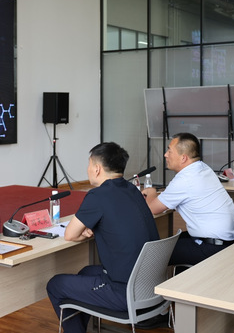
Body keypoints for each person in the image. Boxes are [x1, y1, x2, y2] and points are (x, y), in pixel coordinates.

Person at [46, 142, 159, 333]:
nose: (88, 169)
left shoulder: (97, 196)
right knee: (86, 272)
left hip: (124, 292)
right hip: (149, 285)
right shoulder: (132, 189)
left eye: (89, 164)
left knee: (56, 284)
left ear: (97, 168)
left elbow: (69, 235)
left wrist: (82, 234)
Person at [143, 132, 234, 266]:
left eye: (169, 151)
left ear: (183, 158)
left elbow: (152, 209)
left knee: (150, 255)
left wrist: (151, 192)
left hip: (212, 248)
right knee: (171, 241)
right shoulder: (203, 168)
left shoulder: (185, 179)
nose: (165, 154)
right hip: (229, 240)